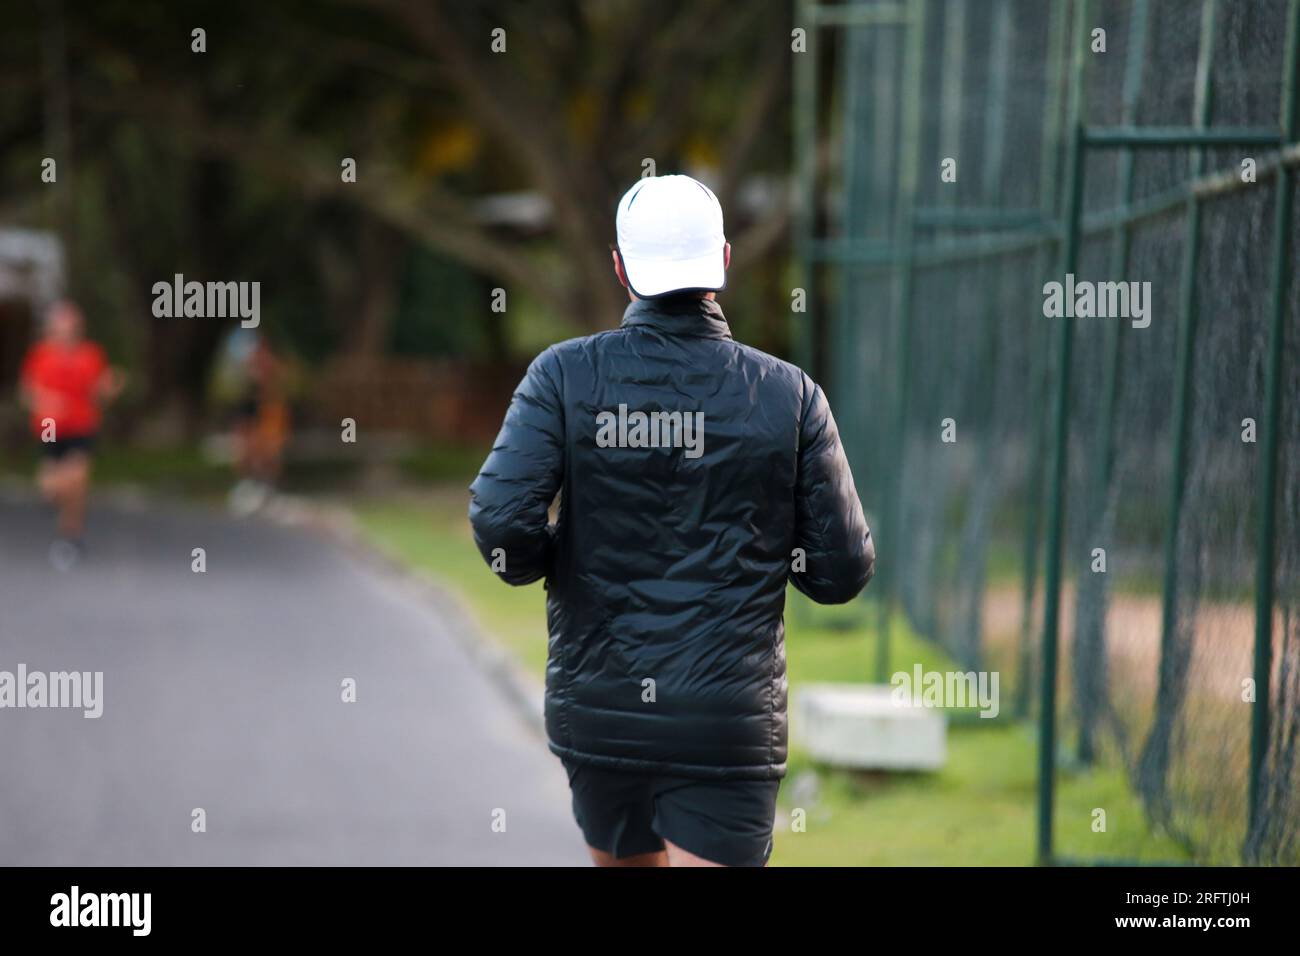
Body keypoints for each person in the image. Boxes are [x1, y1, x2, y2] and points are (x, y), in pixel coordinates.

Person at [469, 174, 875, 867]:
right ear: (722, 260)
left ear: (622, 268)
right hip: (727, 723)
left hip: (599, 710)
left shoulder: (561, 377)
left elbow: (502, 524)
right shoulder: (790, 396)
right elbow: (840, 572)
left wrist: (556, 560)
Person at [18, 300, 123, 566]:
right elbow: (27, 392)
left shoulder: (90, 355)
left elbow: (99, 392)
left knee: (79, 479)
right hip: (50, 426)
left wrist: (110, 388)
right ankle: (52, 495)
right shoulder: (41, 354)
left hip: (81, 425)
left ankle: (70, 537)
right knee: (53, 482)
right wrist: (47, 401)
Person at [226, 330, 289, 516]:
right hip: (254, 415)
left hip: (267, 416)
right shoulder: (249, 372)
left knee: (267, 451)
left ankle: (266, 489)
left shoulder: (271, 372)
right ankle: (252, 486)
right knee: (249, 449)